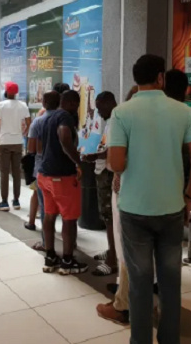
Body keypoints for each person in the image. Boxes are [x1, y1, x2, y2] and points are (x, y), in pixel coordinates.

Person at [107, 55, 191, 344]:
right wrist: (188, 196)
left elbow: (116, 163)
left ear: (136, 79)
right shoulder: (181, 111)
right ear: (160, 78)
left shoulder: (122, 112)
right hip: (172, 208)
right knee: (170, 281)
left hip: (134, 209)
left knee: (139, 283)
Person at [97, 86, 139, 325]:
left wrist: (115, 173)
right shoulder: (173, 117)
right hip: (163, 201)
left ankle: (123, 305)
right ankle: (150, 305)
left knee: (128, 249)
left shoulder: (123, 118)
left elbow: (115, 162)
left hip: (129, 196)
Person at [38, 90, 87, 275]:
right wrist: (78, 161)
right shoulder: (65, 116)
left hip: (45, 175)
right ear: (73, 103)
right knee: (69, 219)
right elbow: (65, 137)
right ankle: (67, 260)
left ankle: (50, 257)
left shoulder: (47, 116)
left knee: (49, 215)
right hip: (63, 177)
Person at [83, 92, 118, 276]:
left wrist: (94, 156)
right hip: (103, 172)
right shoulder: (111, 120)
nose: (98, 111)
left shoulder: (115, 121)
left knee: (110, 217)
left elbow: (112, 150)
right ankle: (111, 249)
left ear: (110, 103)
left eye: (100, 106)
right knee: (107, 216)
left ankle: (113, 260)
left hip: (108, 173)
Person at [27, 91, 61, 249]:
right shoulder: (64, 120)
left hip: (43, 169)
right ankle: (71, 242)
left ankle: (47, 243)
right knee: (66, 210)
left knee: (46, 207)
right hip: (63, 169)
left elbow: (31, 148)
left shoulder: (38, 122)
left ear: (44, 103)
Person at [0, 82, 31, 211]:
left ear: (7, 92)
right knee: (16, 172)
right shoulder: (23, 105)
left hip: (4, 142)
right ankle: (16, 201)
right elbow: (29, 123)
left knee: (4, 172)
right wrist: (24, 133)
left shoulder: (0, 105)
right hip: (18, 142)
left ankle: (4, 201)